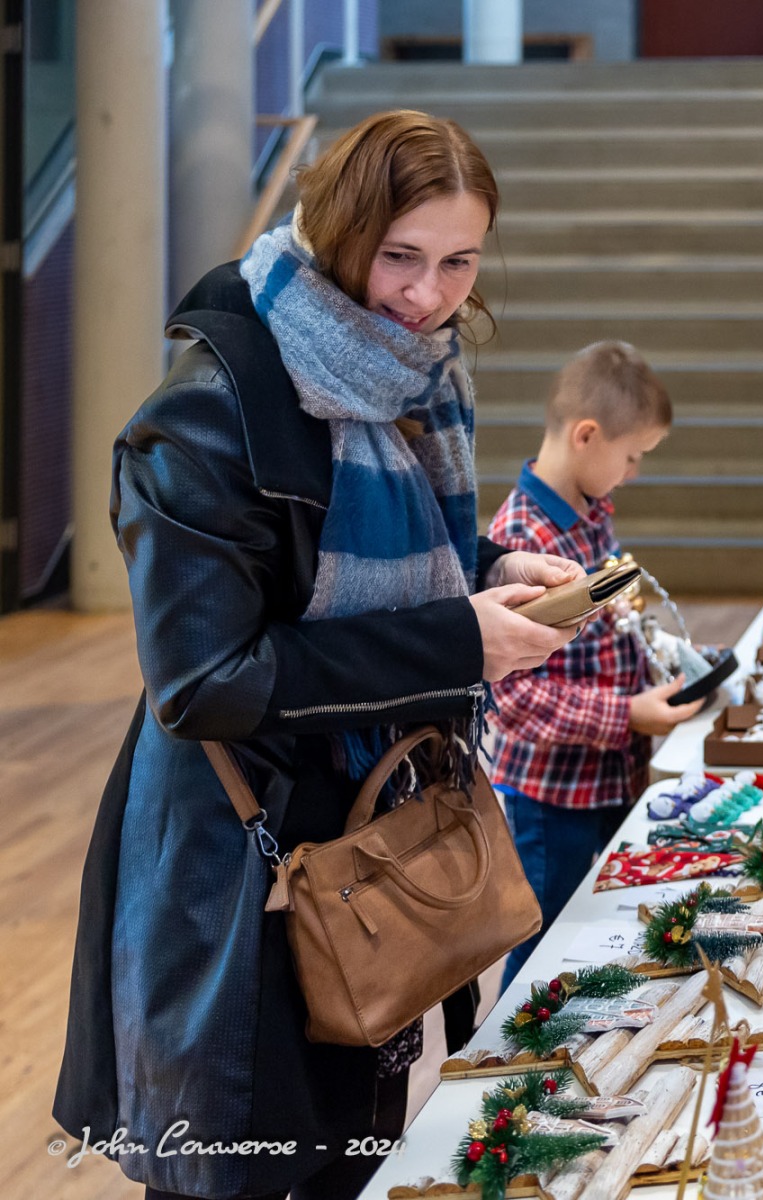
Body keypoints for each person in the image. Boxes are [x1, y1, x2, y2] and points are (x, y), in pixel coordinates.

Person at [54, 111, 585, 1200]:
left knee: (357, 1156)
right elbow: (206, 681)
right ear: (341, 231)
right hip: (238, 873)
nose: (427, 295)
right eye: (400, 256)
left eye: (458, 262)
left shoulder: (416, 379)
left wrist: (487, 571)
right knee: (245, 1169)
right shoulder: (202, 418)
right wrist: (456, 641)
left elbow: (379, 567)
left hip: (374, 846)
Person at [486, 340, 704, 988]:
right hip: (553, 796)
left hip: (611, 775)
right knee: (543, 944)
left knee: (604, 923)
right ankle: (512, 1043)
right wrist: (626, 713)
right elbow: (514, 697)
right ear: (586, 435)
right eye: (632, 456)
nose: (633, 473)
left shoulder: (590, 513)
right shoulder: (523, 539)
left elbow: (612, 626)